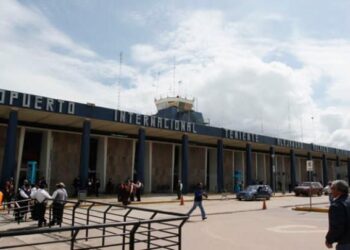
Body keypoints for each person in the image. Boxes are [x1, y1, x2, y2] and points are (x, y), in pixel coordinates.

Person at [325, 180, 350, 250]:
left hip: (345, 243)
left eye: (332, 188)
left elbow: (337, 226)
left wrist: (329, 240)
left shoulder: (336, 205)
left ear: (339, 190)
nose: (330, 191)